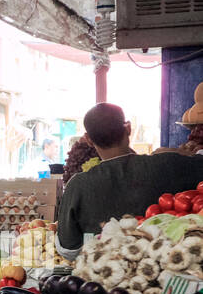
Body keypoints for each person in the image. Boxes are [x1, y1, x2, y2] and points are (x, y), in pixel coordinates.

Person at [57, 102, 203, 256]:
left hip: (99, 274)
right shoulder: (167, 164)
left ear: (88, 139)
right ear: (128, 128)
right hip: (164, 268)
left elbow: (68, 249)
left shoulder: (78, 185)